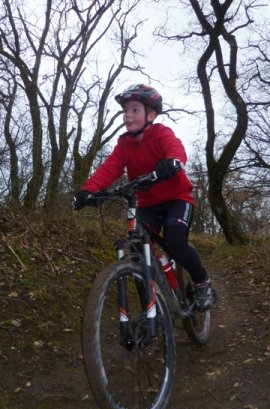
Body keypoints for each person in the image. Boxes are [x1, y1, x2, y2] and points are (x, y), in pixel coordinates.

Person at [73, 84, 214, 311]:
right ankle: (152, 303)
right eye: (125, 110)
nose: (127, 114)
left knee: (175, 240)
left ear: (151, 114)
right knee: (137, 247)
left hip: (177, 198)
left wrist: (174, 162)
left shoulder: (161, 133)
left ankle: (202, 281)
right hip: (148, 203)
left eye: (135, 109)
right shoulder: (124, 144)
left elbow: (175, 148)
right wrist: (87, 190)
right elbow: (109, 168)